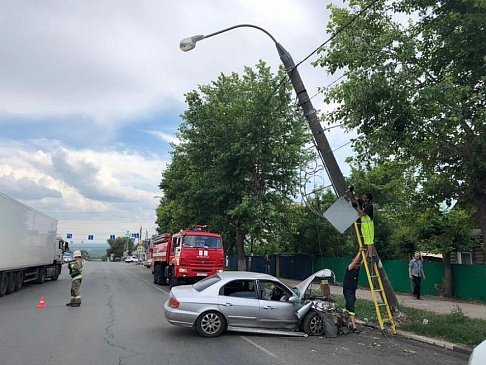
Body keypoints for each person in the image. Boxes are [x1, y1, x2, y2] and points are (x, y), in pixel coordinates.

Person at [343, 251, 361, 333]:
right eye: (356, 263)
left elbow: (362, 262)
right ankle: (354, 326)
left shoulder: (357, 269)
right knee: (351, 307)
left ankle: (348, 322)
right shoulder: (350, 268)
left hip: (353, 291)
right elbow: (355, 261)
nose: (357, 265)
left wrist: (366, 253)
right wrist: (360, 252)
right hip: (347, 290)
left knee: (349, 305)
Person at [354, 193, 375, 259]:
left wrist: (356, 208)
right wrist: (351, 192)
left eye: (364, 197)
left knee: (369, 241)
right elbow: (357, 199)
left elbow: (362, 213)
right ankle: (372, 254)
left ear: (368, 199)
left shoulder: (369, 206)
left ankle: (371, 256)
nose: (363, 197)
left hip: (368, 224)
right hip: (363, 224)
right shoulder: (363, 203)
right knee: (366, 240)